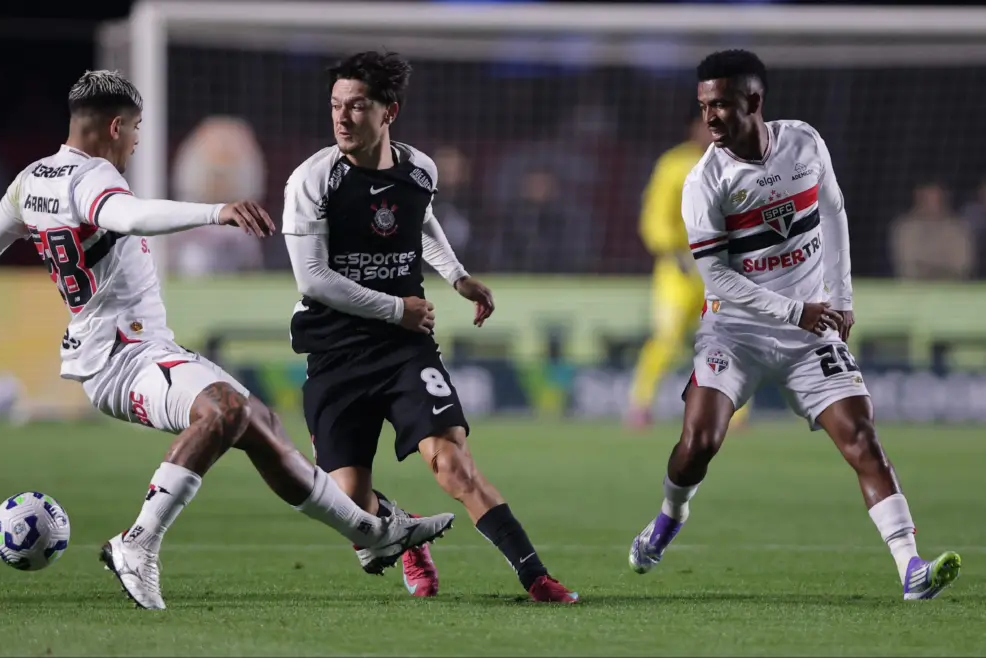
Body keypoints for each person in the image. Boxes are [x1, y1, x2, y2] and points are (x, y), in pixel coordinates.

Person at [0, 70, 454, 611]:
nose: (136, 142)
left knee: (259, 424)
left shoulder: (32, 182)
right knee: (226, 409)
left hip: (124, 351)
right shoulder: (93, 178)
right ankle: (139, 543)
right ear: (113, 126)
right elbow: (126, 217)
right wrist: (214, 212)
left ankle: (378, 534)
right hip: (124, 355)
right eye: (135, 130)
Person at [627, 50, 961, 600]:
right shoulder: (704, 180)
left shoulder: (804, 143)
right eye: (704, 105)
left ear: (754, 102)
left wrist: (840, 297)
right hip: (735, 333)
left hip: (811, 333)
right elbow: (714, 275)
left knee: (862, 440)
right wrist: (794, 309)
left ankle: (911, 569)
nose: (710, 117)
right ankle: (669, 517)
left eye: (722, 105)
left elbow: (833, 212)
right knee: (699, 442)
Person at [281, 51, 577, 603]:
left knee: (452, 463)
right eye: (335, 106)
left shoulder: (419, 170)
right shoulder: (312, 180)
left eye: (357, 107)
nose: (342, 118)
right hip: (335, 353)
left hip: (403, 350)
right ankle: (408, 535)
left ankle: (535, 575)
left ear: (389, 111)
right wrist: (399, 307)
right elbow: (315, 280)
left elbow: (423, 222)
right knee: (349, 505)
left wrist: (457, 276)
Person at [626, 111, 749, 430]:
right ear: (693, 127)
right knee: (666, 338)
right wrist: (670, 248)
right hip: (679, 269)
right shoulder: (673, 165)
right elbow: (654, 216)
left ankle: (735, 413)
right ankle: (641, 404)